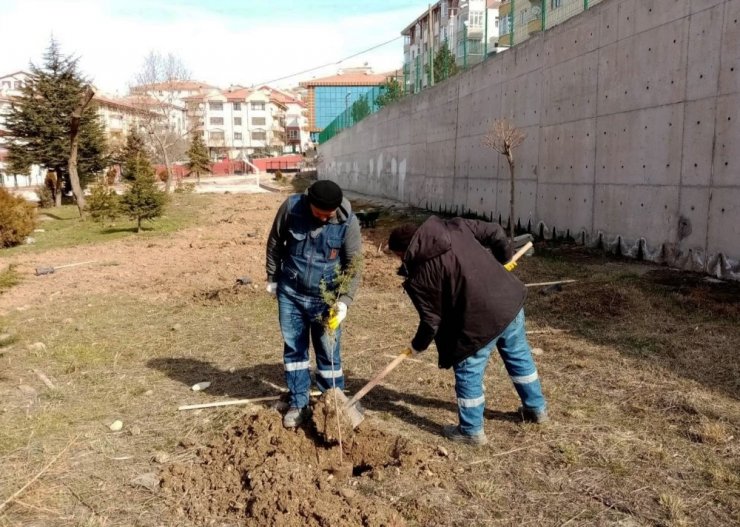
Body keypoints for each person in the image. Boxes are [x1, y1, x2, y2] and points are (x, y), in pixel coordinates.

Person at [387, 217, 547, 446]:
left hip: (477, 322)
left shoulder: (419, 275)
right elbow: (495, 232)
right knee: (519, 356)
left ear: (403, 251)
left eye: (397, 256)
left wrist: (417, 345)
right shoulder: (454, 226)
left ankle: (471, 431)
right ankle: (536, 408)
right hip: (508, 301)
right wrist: (504, 259)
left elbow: (431, 321)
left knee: (469, 371)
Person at [266, 180, 362, 428]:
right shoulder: (291, 208)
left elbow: (353, 265)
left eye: (327, 215)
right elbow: (275, 242)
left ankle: (334, 403)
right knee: (295, 350)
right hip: (291, 294)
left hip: (325, 299)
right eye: (318, 213)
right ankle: (299, 403)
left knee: (328, 354)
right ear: (309, 202)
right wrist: (273, 278)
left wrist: (343, 302)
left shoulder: (347, 222)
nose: (323, 218)